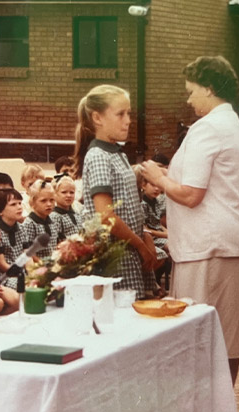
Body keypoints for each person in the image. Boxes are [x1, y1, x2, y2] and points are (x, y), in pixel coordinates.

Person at [141, 55, 239, 385]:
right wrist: (169, 175)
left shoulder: (208, 128)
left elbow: (192, 194)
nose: (188, 98)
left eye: (192, 91)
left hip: (210, 249)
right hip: (226, 243)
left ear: (209, 88)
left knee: (207, 339)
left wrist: (157, 178)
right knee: (227, 339)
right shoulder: (230, 123)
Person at [74, 85, 159, 297]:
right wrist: (139, 245)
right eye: (120, 114)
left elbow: (129, 206)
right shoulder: (98, 156)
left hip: (129, 247)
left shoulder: (117, 153)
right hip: (115, 256)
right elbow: (105, 216)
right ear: (97, 118)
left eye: (129, 113)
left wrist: (145, 235)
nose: (128, 120)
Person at [21, 180, 59, 258]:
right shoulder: (30, 224)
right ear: (32, 203)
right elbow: (29, 251)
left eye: (52, 200)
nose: (49, 204)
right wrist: (41, 264)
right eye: (43, 201)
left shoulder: (53, 221)